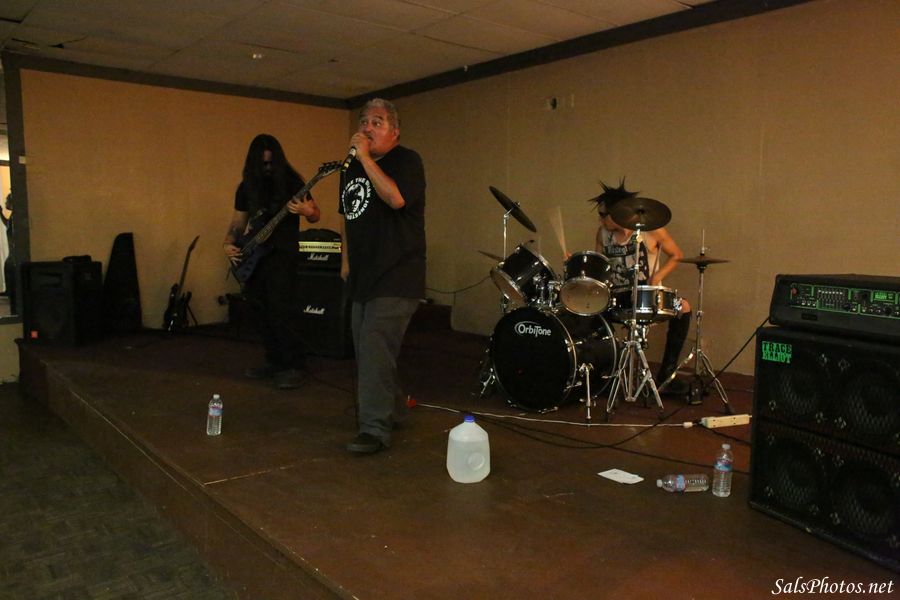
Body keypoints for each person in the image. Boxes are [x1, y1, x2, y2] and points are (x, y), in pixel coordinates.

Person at [339, 98, 426, 454]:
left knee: (375, 349)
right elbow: (347, 215)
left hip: (397, 274)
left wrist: (366, 159)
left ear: (395, 132)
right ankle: (395, 410)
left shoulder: (407, 161)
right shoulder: (350, 168)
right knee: (367, 350)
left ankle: (374, 429)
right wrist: (345, 261)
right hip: (363, 275)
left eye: (377, 122)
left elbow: (395, 198)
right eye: (363, 121)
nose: (367, 128)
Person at [223, 134, 320, 390]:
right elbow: (238, 222)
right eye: (262, 164)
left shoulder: (292, 183)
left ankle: (294, 365)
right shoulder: (246, 187)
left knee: (281, 310)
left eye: (270, 163)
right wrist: (228, 242)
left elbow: (315, 215)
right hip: (256, 256)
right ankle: (274, 361)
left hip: (283, 255)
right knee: (260, 310)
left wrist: (308, 211)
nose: (267, 168)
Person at [591, 180, 694, 399]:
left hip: (647, 295)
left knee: (683, 307)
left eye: (603, 214)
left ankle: (666, 375)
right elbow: (599, 265)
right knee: (592, 313)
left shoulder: (650, 230)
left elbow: (677, 255)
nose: (600, 219)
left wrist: (657, 277)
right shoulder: (602, 234)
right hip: (616, 296)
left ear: (617, 213)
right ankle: (607, 373)